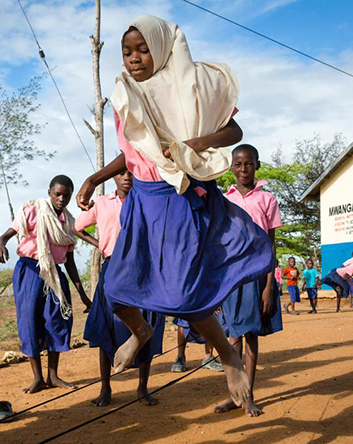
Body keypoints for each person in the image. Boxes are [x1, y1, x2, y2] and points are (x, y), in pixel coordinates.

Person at [76, 15, 274, 408]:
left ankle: (229, 355)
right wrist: (96, 178)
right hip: (143, 201)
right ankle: (141, 333)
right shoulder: (127, 94)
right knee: (116, 290)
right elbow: (133, 152)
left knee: (184, 293)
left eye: (144, 49)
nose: (134, 58)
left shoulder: (189, 88)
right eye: (127, 51)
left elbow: (234, 133)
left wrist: (193, 143)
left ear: (162, 48)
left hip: (180, 197)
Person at [0, 175, 92, 394]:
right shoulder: (33, 210)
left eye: (66, 195)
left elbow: (69, 261)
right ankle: (37, 377)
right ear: (49, 192)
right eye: (57, 194)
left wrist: (82, 295)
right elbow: (7, 235)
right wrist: (0, 243)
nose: (61, 199)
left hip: (55, 276)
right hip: (30, 271)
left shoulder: (68, 223)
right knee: (30, 323)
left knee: (56, 321)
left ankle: (53, 375)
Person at [76, 170, 166, 406]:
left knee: (145, 324)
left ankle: (142, 388)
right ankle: (105, 388)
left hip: (142, 269)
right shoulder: (102, 203)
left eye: (130, 173)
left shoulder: (146, 202)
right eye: (120, 174)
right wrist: (100, 244)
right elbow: (77, 227)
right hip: (112, 267)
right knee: (106, 326)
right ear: (113, 178)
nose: (126, 177)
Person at [215, 144, 283, 416]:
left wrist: (268, 285)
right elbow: (218, 245)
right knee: (231, 335)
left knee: (251, 334)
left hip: (257, 275)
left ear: (257, 165)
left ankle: (249, 397)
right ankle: (235, 394)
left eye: (249, 164)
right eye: (238, 164)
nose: (243, 169)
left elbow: (271, 244)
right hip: (231, 274)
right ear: (231, 168)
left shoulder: (267, 199)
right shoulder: (223, 200)